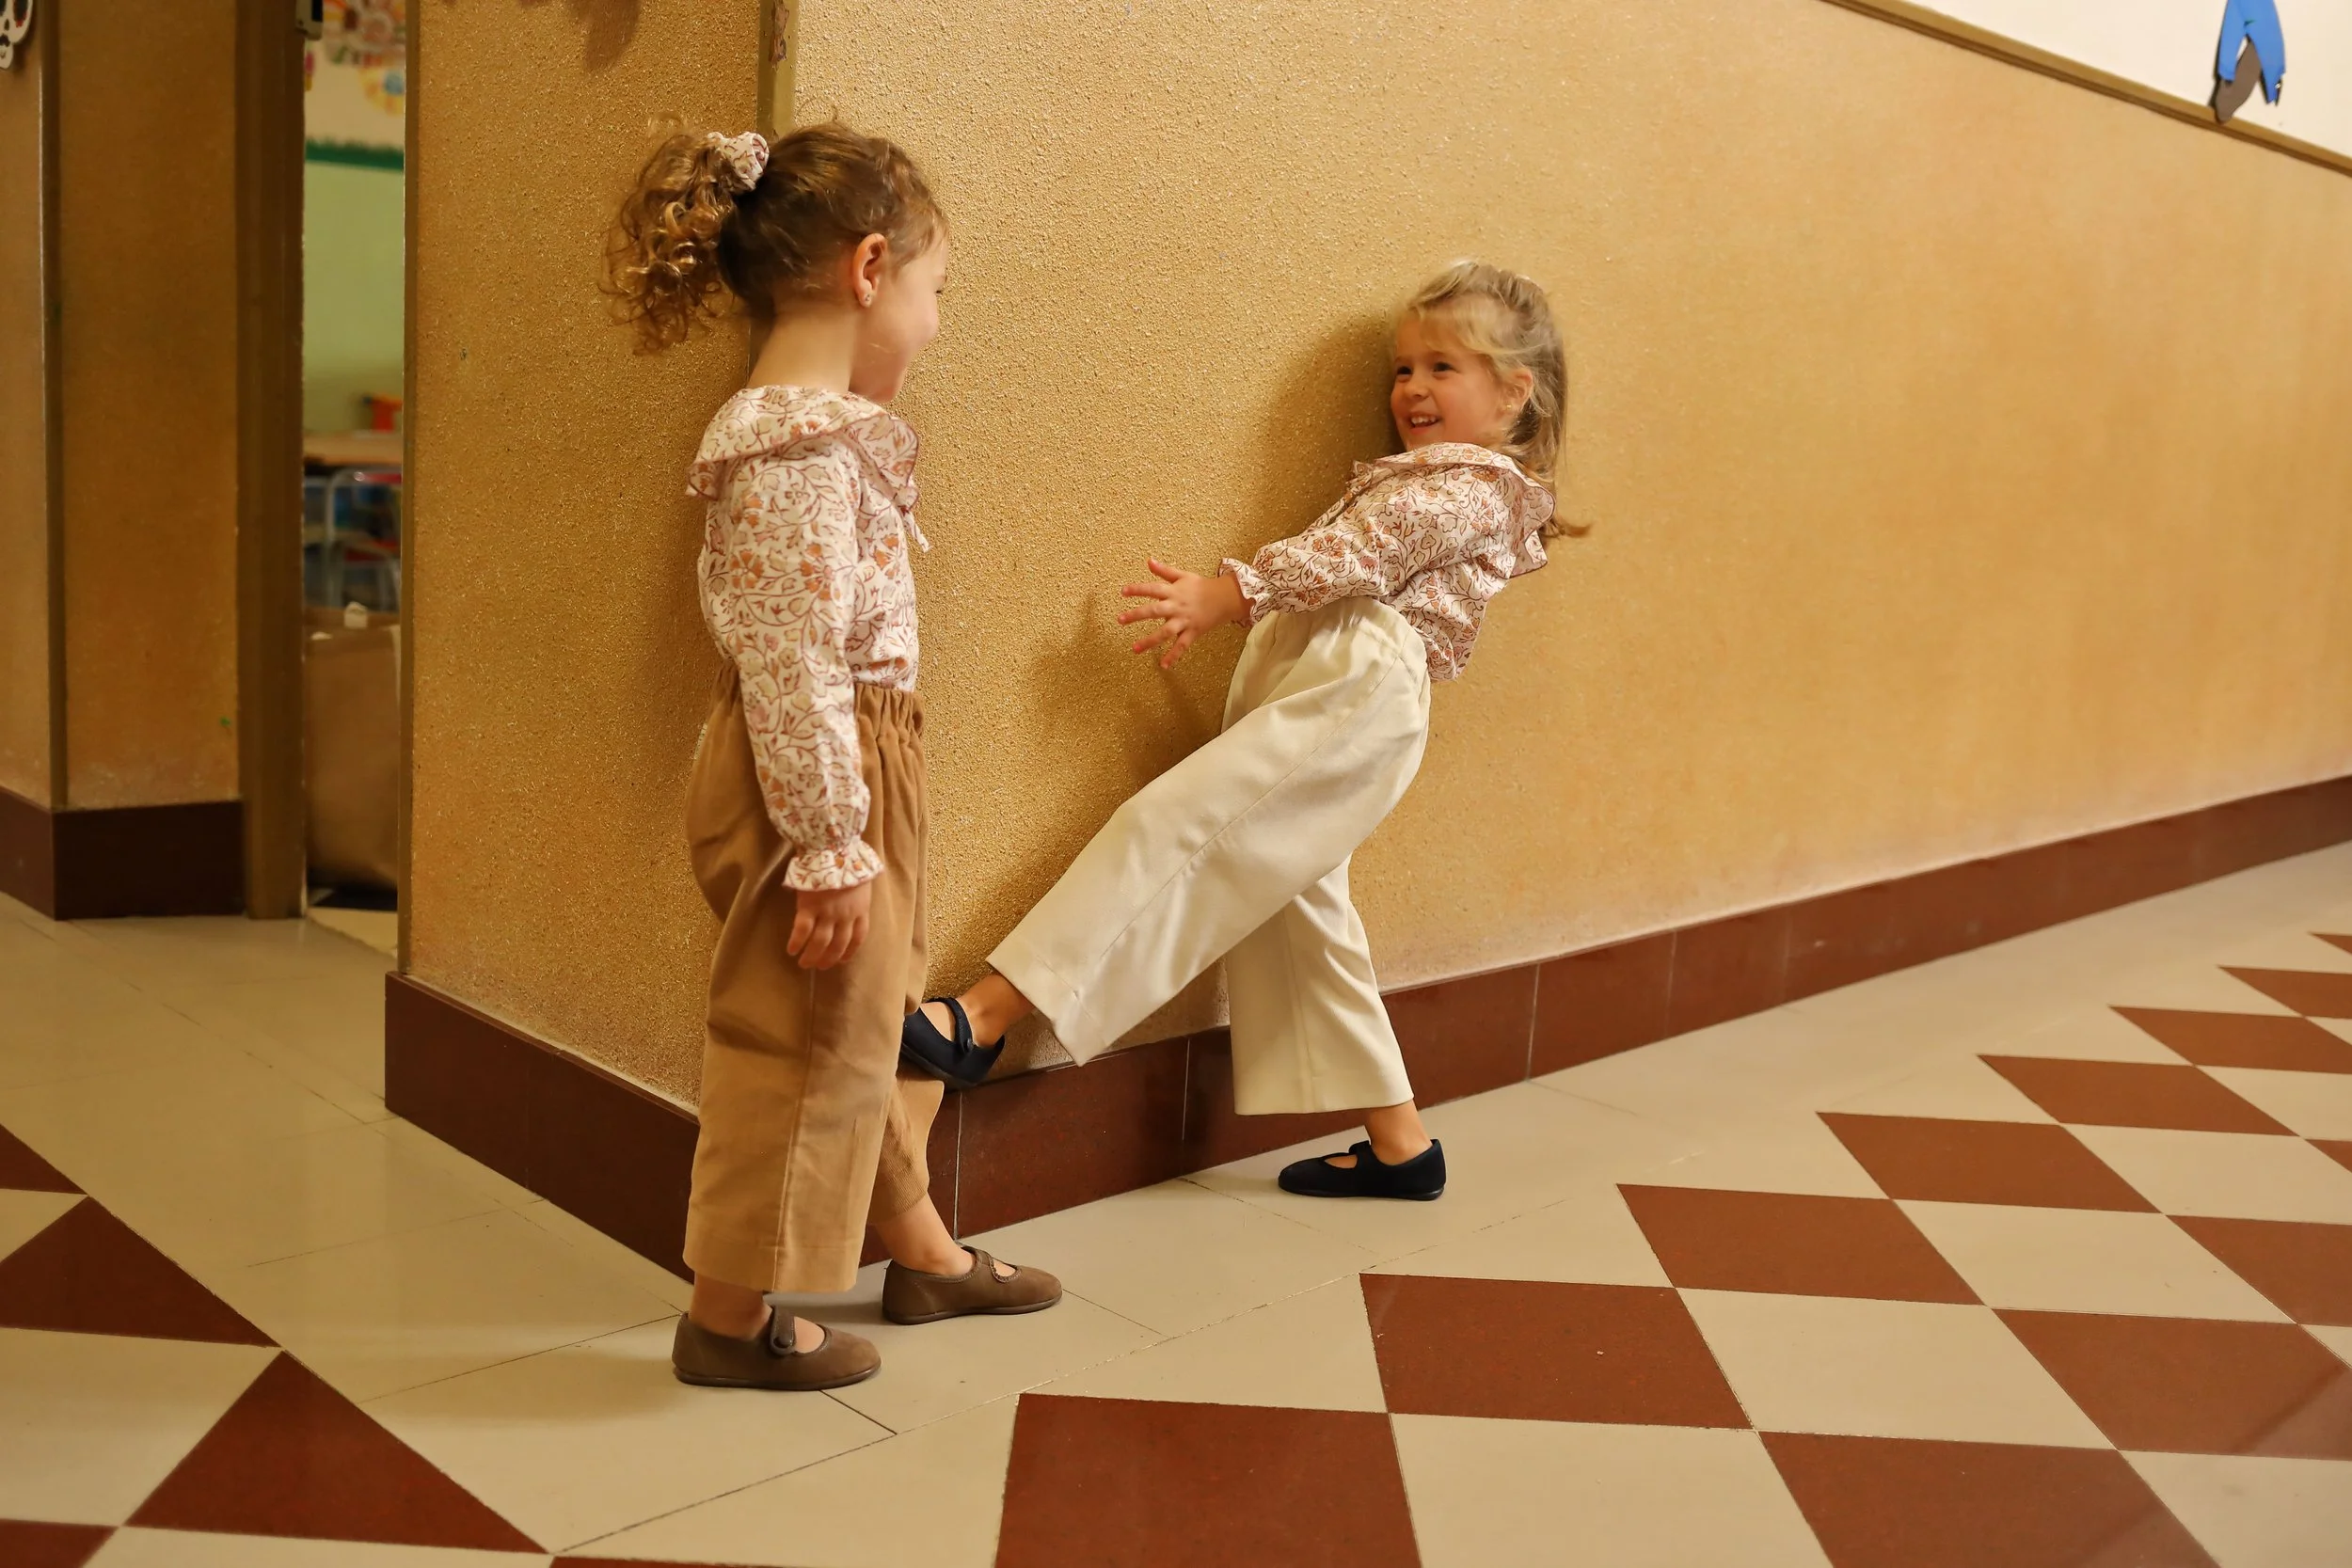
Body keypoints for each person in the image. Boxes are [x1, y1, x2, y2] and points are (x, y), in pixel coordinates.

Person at [903, 261, 1569, 1202]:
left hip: (1358, 694)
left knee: (1180, 827)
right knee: (1298, 908)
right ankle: (1401, 1145)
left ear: (1512, 393)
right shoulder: (1438, 478)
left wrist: (1229, 593)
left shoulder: (1468, 490)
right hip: (1338, 688)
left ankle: (984, 1014)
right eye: (1402, 367)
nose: (1411, 388)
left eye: (1442, 367)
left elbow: (1360, 552)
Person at [608, 122, 1059, 1392]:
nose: (934, 322)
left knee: (852, 1023)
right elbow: (794, 664)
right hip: (814, 775)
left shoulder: (812, 437)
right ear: (869, 270)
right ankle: (725, 1314)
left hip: (850, 764)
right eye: (934, 290)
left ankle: (922, 1251)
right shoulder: (794, 455)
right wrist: (828, 841)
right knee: (799, 1040)